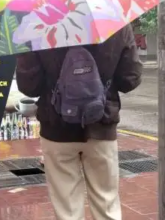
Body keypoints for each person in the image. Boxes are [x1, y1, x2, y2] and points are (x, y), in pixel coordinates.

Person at [16, 25, 142, 220]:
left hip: (56, 128)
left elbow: (29, 86)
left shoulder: (37, 25)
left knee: (67, 209)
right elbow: (130, 79)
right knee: (106, 205)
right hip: (102, 125)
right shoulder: (115, 23)